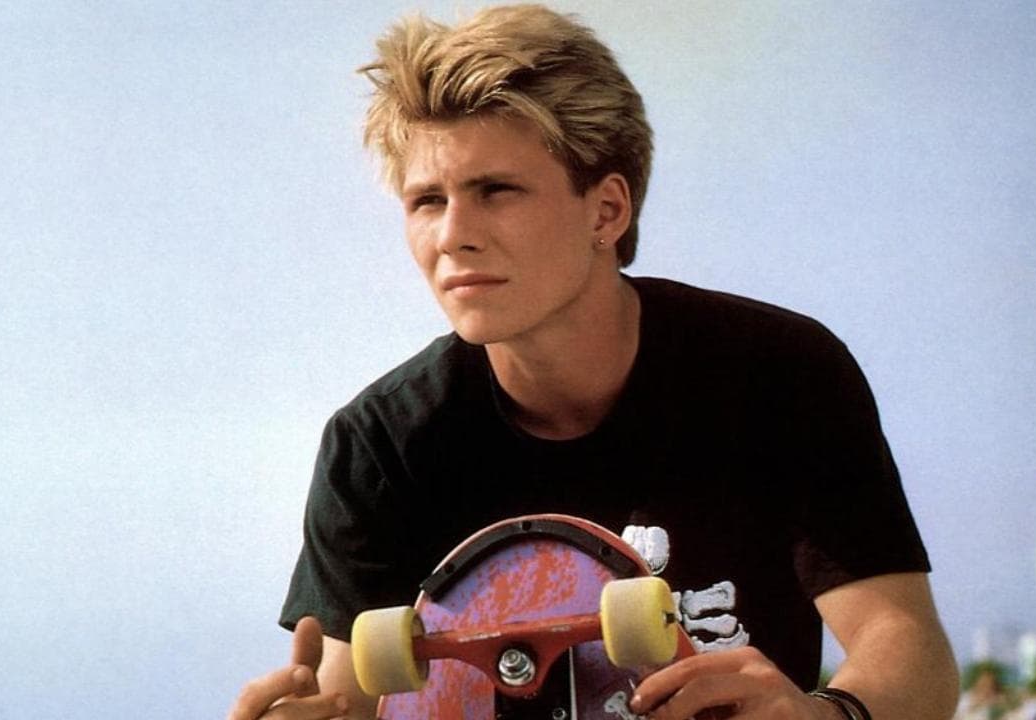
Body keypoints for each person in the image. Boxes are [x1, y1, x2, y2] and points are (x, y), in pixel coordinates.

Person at [229, 4, 959, 719]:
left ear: (606, 211)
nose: (452, 235)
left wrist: (825, 715)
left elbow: (907, 649)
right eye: (427, 201)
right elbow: (350, 698)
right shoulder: (379, 446)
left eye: (496, 191)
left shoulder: (779, 376)